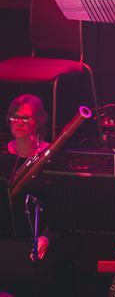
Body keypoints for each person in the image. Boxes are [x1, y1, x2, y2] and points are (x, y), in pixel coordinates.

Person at [0, 94, 74, 297]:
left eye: (26, 118)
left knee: (38, 270)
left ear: (38, 122)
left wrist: (47, 237)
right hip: (6, 235)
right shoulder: (2, 155)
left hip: (42, 237)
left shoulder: (53, 157)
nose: (19, 123)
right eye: (15, 117)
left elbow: (66, 206)